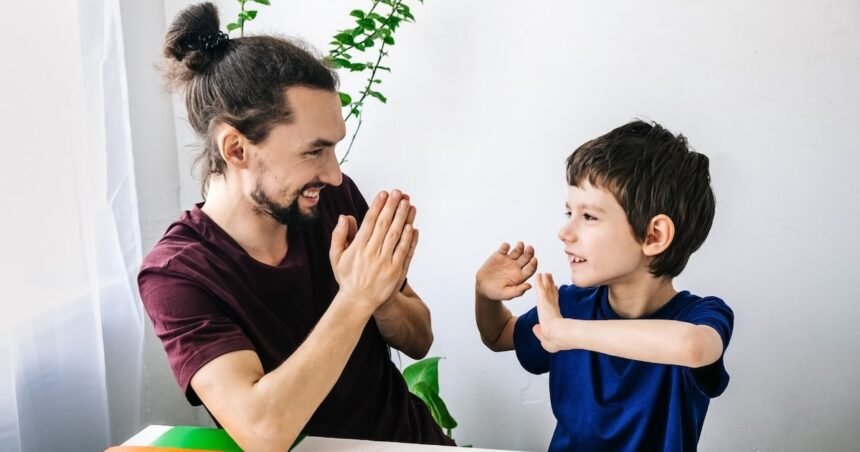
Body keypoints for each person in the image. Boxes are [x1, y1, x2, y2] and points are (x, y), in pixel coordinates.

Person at [138, 3, 454, 450]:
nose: (334, 174)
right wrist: (356, 297)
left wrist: (382, 299)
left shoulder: (333, 202)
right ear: (236, 149)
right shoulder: (178, 275)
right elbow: (261, 432)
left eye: (334, 148)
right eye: (314, 151)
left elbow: (419, 339)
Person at [475, 120, 734, 451]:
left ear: (654, 236)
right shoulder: (569, 307)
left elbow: (693, 348)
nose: (565, 231)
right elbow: (498, 336)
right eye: (569, 211)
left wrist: (565, 333)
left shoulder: (701, 316)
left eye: (589, 217)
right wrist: (485, 295)